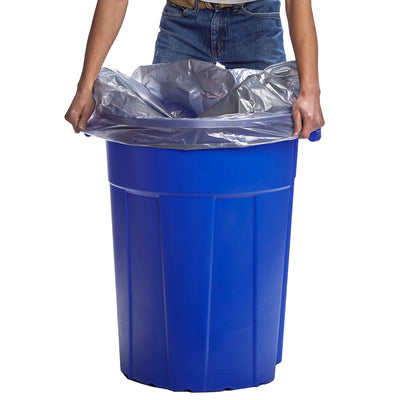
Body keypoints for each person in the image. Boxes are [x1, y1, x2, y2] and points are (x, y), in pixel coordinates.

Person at [65, 0, 324, 139]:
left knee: (266, 139)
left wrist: (311, 92)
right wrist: (85, 86)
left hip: (256, 21)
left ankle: (242, 223)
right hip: (184, 20)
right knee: (165, 140)